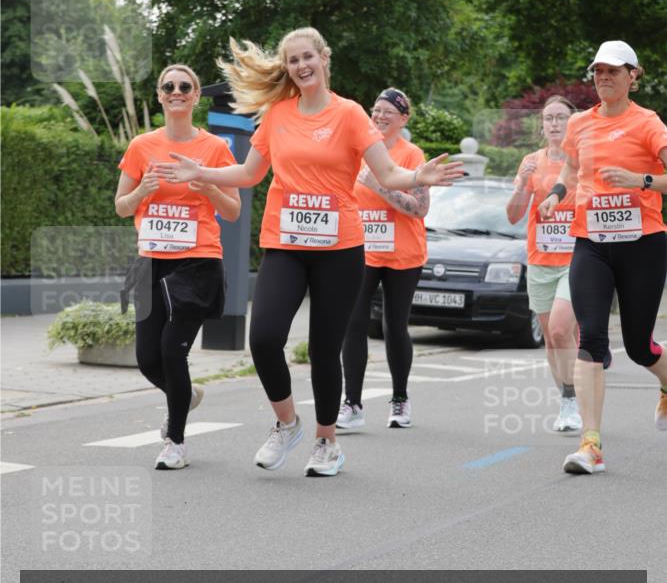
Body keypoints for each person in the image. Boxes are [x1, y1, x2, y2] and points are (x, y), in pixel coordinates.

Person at [154, 27, 464, 477]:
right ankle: (287, 423)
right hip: (285, 243)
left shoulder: (350, 114)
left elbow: (387, 173)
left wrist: (419, 177)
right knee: (264, 338)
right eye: (293, 60)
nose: (301, 66)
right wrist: (200, 171)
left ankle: (327, 442)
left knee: (324, 349)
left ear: (324, 58)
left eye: (307, 57)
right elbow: (248, 174)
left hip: (340, 249)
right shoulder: (278, 115)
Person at [539, 40, 667, 474]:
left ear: (634, 75)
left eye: (613, 70)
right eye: (598, 71)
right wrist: (556, 194)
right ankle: (590, 444)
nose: (604, 77)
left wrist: (640, 179)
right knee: (591, 337)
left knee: (639, 346)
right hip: (591, 242)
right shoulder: (579, 124)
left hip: (643, 244)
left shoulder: (648, 123)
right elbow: (571, 170)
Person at [115, 65, 241, 470]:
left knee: (172, 350)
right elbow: (121, 207)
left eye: (185, 86)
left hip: (197, 260)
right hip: (151, 260)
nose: (176, 91)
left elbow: (233, 211)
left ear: (196, 95)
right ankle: (184, 396)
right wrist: (143, 189)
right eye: (168, 86)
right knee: (147, 359)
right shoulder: (142, 146)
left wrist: (209, 187)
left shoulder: (214, 148)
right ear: (159, 95)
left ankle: (175, 442)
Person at [338, 88, 428, 430]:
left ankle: (400, 399)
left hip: (404, 254)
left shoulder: (411, 153)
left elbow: (420, 208)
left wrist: (381, 188)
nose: (380, 116)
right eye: (376, 110)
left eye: (389, 111)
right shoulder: (358, 150)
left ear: (403, 119)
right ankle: (352, 403)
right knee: (354, 323)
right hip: (362, 250)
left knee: (394, 325)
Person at [506, 95, 582, 432]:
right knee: (553, 338)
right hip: (540, 260)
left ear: (572, 123)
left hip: (577, 259)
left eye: (561, 117)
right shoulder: (531, 162)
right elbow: (513, 216)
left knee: (561, 329)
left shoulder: (581, 162)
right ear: (541, 126)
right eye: (548, 118)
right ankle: (568, 398)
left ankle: (575, 398)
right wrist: (522, 185)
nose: (554, 123)